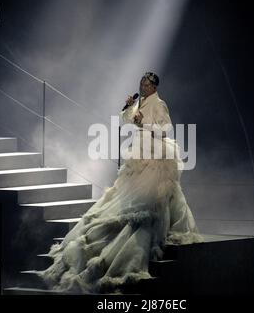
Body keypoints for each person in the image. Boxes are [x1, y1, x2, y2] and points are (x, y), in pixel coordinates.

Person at [38, 72, 203, 294]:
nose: (143, 87)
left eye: (146, 84)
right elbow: (128, 120)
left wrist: (144, 123)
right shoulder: (141, 101)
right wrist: (128, 108)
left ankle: (153, 233)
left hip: (154, 152)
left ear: (154, 86)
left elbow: (166, 129)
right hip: (139, 151)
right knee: (133, 193)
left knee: (156, 194)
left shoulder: (159, 104)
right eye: (141, 84)